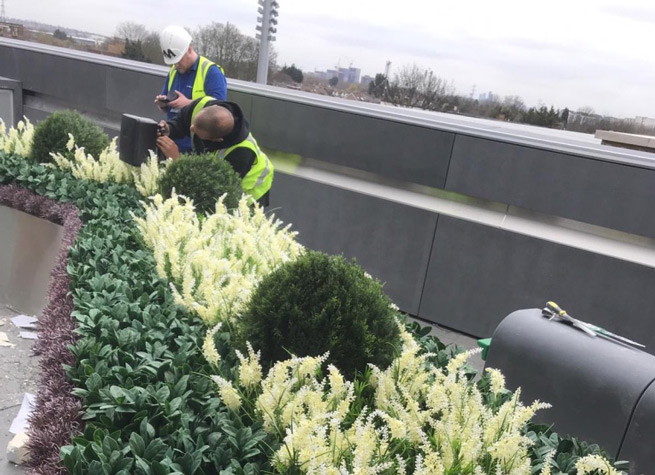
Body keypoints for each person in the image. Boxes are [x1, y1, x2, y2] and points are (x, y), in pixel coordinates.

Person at [156, 97, 274, 207]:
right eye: (194, 124)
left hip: (249, 192)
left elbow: (211, 189)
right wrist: (169, 128)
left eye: (197, 132)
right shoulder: (202, 105)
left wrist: (178, 160)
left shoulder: (241, 153)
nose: (191, 128)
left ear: (217, 140)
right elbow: (182, 121)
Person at [154, 25, 227, 153]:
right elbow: (167, 105)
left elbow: (219, 113)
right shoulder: (173, 71)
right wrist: (163, 104)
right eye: (173, 62)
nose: (175, 65)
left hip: (197, 147)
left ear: (189, 49)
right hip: (172, 141)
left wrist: (187, 103)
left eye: (178, 60)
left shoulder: (211, 72)